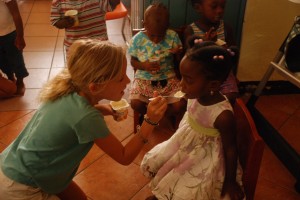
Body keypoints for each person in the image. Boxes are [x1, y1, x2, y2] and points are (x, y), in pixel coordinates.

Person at [0, 39, 168, 200]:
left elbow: (72, 115)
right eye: (120, 78)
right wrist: (150, 121)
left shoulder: (68, 87)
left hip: (15, 165)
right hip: (21, 187)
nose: (128, 80)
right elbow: (124, 156)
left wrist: (106, 109)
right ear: (95, 87)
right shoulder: (87, 117)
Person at [140, 40, 245, 200]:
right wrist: (161, 107)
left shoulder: (223, 115)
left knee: (189, 190)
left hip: (206, 157)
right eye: (182, 77)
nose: (181, 85)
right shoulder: (194, 94)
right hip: (186, 144)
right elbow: (186, 111)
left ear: (213, 85)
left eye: (188, 80)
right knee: (169, 169)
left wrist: (230, 181)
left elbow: (230, 149)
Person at [128, 2, 186, 128]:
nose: (156, 39)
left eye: (160, 35)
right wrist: (144, 66)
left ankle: (160, 116)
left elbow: (180, 60)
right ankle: (150, 115)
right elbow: (132, 61)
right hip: (144, 79)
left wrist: (177, 53)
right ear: (145, 25)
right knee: (135, 103)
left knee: (180, 104)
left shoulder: (172, 36)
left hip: (168, 78)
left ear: (167, 27)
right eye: (152, 35)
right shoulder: (137, 40)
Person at [184, 0, 239, 104]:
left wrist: (225, 49)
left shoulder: (226, 28)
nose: (219, 10)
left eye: (222, 6)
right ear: (198, 7)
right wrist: (205, 43)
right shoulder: (191, 30)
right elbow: (189, 58)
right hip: (200, 75)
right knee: (193, 98)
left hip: (223, 73)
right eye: (214, 7)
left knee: (230, 97)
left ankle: (222, 116)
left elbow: (233, 55)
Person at [50, 0, 120, 54]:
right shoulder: (58, 2)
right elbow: (55, 21)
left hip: (98, 46)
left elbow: (112, 4)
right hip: (74, 47)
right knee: (77, 70)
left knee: (100, 69)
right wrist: (64, 22)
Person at [0, 0, 29, 95]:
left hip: (10, 32)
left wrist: (20, 36)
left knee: (16, 58)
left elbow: (16, 14)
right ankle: (10, 77)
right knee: (2, 60)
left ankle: (20, 81)